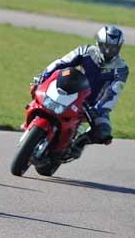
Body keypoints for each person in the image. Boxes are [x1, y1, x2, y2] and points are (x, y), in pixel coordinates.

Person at [35, 25, 128, 159]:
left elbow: (114, 92)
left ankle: (79, 143)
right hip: (72, 92)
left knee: (104, 132)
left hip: (93, 106)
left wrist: (99, 109)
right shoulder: (85, 51)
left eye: (113, 48)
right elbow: (61, 63)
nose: (108, 51)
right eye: (105, 46)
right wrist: (42, 77)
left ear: (119, 48)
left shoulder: (121, 68)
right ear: (99, 43)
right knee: (42, 97)